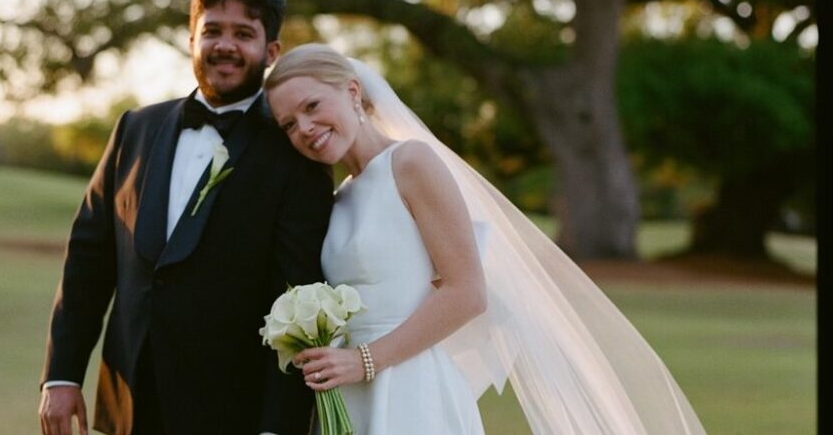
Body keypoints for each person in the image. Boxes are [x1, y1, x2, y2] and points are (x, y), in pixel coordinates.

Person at [264, 43, 707, 435]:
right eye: (288, 124)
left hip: (408, 387)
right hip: (348, 395)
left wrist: (366, 360)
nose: (304, 127)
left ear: (353, 93)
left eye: (312, 106)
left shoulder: (412, 163)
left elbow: (467, 292)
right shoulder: (338, 199)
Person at [38, 0, 334, 435]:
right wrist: (62, 373)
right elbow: (88, 260)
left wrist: (279, 426)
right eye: (212, 30)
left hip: (232, 412)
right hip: (128, 399)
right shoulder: (134, 129)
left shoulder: (296, 156)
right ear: (190, 39)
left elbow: (298, 297)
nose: (225, 45)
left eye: (244, 33)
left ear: (271, 50)